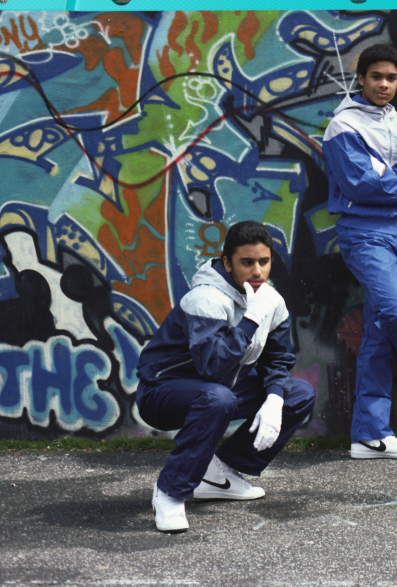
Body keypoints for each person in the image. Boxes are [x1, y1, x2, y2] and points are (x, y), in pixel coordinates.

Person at [135, 220, 317, 533]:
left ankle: (218, 474)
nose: (257, 271)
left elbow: (277, 358)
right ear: (227, 263)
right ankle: (169, 492)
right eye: (247, 263)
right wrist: (250, 320)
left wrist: (274, 399)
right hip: (161, 393)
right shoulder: (205, 298)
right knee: (217, 398)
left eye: (264, 261)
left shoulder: (271, 300)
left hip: (220, 389)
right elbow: (213, 367)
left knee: (297, 393)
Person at [323, 43, 397, 460]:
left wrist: (395, 182)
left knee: (378, 334)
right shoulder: (343, 126)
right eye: (376, 77)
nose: (384, 84)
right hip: (364, 235)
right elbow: (359, 184)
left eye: (391, 78)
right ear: (362, 79)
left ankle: (370, 436)